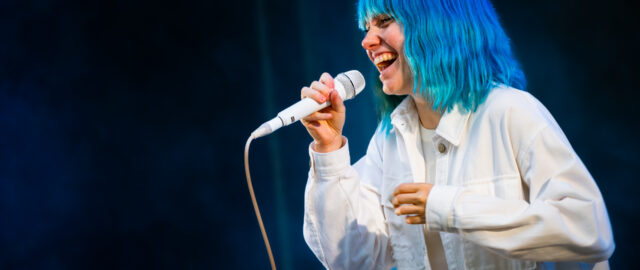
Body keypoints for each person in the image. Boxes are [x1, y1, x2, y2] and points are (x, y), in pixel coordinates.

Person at [298, 0, 614, 269]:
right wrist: (329, 148)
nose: (367, 41)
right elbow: (352, 260)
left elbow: (588, 229)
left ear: (437, 24)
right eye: (366, 27)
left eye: (384, 21)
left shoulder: (510, 111)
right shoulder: (388, 140)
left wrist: (449, 208)